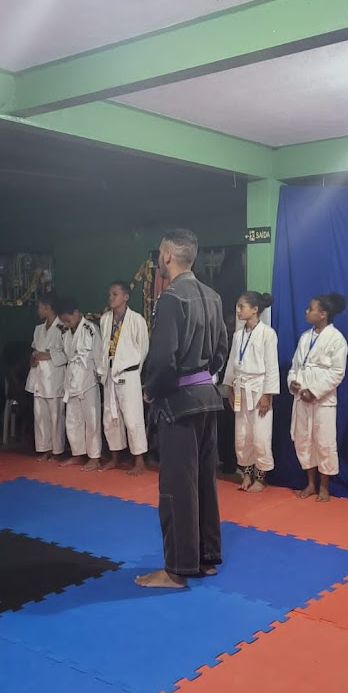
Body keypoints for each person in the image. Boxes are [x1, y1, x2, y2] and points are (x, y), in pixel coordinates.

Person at [137, 229, 228, 589]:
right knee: (203, 481)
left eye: (160, 254)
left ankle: (176, 569)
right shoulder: (213, 296)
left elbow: (163, 359)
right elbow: (220, 352)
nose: (158, 260)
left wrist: (152, 390)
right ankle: (205, 558)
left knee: (177, 486)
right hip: (207, 397)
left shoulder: (171, 298)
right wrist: (201, 378)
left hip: (178, 403)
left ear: (168, 256)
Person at [289, 293, 348, 502]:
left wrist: (314, 391)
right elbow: (296, 365)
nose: (307, 311)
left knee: (324, 442)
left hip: (322, 400)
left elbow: (337, 372)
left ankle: (324, 485)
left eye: (311, 308)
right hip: (301, 395)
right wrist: (293, 382)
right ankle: (311, 483)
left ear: (323, 314)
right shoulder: (305, 337)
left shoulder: (337, 339)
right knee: (304, 440)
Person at [222, 291, 279, 493]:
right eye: (237, 306)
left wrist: (267, 394)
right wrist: (229, 388)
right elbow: (232, 362)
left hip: (258, 388)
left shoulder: (268, 334)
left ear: (255, 309)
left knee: (260, 435)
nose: (238, 310)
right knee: (242, 434)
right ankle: (246, 474)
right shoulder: (238, 335)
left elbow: (272, 366)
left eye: (242, 307)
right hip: (240, 387)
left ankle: (260, 478)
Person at [97, 281, 150, 475]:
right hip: (110, 371)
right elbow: (103, 347)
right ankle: (114, 457)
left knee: (133, 417)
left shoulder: (137, 320)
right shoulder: (105, 319)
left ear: (126, 297)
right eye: (110, 294)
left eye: (115, 294)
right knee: (110, 417)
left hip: (129, 372)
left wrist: (134, 370)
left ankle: (139, 461)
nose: (111, 297)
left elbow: (143, 348)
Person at [57, 297, 103, 471]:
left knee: (91, 419)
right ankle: (77, 453)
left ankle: (94, 457)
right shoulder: (66, 332)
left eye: (68, 319)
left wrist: (100, 376)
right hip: (72, 378)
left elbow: (99, 355)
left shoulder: (90, 329)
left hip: (88, 378)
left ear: (76, 313)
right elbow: (67, 355)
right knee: (72, 419)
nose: (66, 323)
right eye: (64, 321)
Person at [25, 294, 67, 461]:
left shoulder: (63, 327)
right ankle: (45, 448)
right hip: (39, 376)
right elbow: (34, 351)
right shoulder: (38, 329)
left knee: (56, 415)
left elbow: (67, 353)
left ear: (47, 307)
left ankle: (57, 450)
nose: (38, 310)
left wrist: (49, 356)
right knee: (40, 415)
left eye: (39, 306)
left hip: (54, 377)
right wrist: (33, 359)